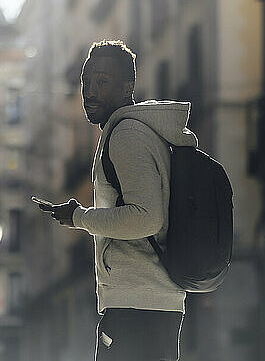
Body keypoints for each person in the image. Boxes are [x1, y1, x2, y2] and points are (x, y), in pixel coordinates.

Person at [35, 40, 198, 361]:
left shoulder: (127, 137)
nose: (90, 92)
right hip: (150, 302)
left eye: (102, 81)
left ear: (128, 87)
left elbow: (146, 218)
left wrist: (79, 217)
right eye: (86, 82)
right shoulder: (136, 132)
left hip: (135, 306)